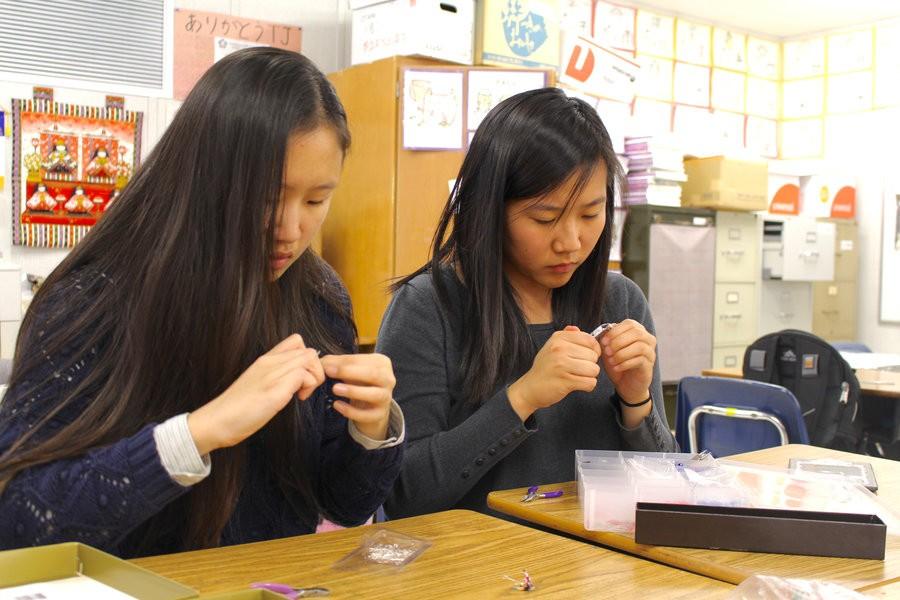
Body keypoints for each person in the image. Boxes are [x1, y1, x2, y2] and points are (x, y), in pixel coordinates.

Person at [0, 48, 404, 557]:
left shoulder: (317, 297)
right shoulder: (95, 297)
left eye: (316, 200)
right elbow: (18, 520)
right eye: (264, 196)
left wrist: (370, 430)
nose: (290, 229)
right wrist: (197, 434)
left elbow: (344, 505)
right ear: (204, 179)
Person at [377, 87, 676, 519]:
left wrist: (635, 402)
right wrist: (521, 397)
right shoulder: (428, 308)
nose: (571, 242)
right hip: (477, 572)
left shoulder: (621, 300)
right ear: (489, 210)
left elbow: (661, 482)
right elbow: (403, 493)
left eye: (591, 215)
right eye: (545, 218)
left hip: (594, 567)